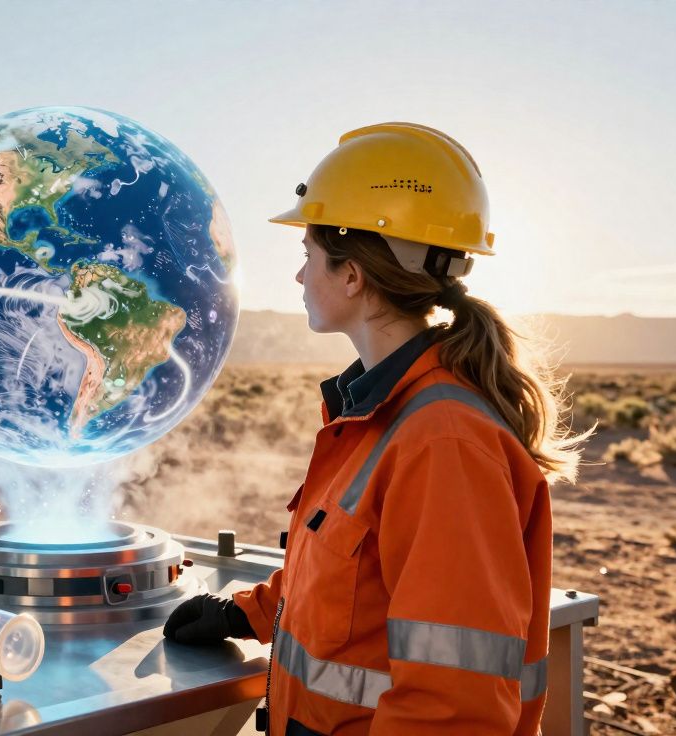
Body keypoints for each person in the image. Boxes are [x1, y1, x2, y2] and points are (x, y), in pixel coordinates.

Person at [163, 122, 589, 735]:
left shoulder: (443, 444)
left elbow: (451, 710)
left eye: (307, 256)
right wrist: (249, 614)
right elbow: (354, 584)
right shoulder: (380, 413)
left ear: (352, 274)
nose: (299, 277)